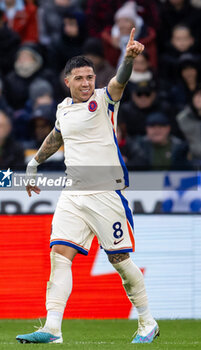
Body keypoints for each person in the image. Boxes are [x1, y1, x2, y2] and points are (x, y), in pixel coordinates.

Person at [16, 29, 159, 344]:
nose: (86, 83)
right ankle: (52, 329)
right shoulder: (63, 109)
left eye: (90, 77)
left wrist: (128, 58)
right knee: (59, 254)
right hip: (73, 193)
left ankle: (147, 322)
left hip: (106, 192)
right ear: (67, 81)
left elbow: (120, 80)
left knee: (119, 261)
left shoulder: (104, 99)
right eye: (79, 78)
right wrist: (34, 163)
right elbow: (56, 137)